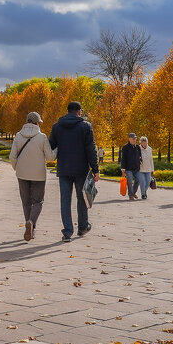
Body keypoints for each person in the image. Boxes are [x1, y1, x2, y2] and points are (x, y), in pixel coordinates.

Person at [47, 100, 99, 241]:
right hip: (81, 169)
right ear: (79, 111)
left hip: (64, 168)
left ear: (68, 111)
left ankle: (67, 231)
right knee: (82, 198)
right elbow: (91, 150)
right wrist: (95, 169)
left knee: (65, 200)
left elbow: (50, 146)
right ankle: (82, 227)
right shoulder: (86, 126)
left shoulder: (57, 127)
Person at [9, 111, 55, 242]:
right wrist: (57, 149)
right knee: (38, 201)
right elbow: (50, 157)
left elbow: (12, 156)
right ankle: (31, 223)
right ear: (37, 123)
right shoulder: (42, 137)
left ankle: (30, 228)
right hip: (39, 175)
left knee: (26, 202)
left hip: (22, 174)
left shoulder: (18, 136)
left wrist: (17, 168)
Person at [118, 132, 141, 201]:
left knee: (138, 180)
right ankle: (131, 195)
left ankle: (133, 192)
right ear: (129, 139)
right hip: (128, 168)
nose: (134, 140)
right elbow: (123, 158)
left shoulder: (138, 147)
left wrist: (140, 161)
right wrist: (123, 168)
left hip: (136, 168)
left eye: (135, 138)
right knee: (130, 181)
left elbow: (140, 156)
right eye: (133, 138)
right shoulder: (125, 147)